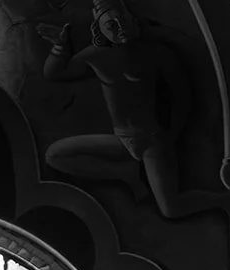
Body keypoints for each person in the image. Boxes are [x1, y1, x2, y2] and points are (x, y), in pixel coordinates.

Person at [37, 0, 190, 218]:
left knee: (171, 210)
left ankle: (225, 201)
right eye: (111, 25)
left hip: (152, 140)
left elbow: (182, 95)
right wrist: (60, 46)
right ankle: (125, 173)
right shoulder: (96, 55)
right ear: (99, 28)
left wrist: (172, 133)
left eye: (123, 20)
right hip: (121, 139)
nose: (120, 28)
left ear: (132, 20)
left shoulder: (157, 54)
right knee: (55, 155)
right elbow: (55, 74)